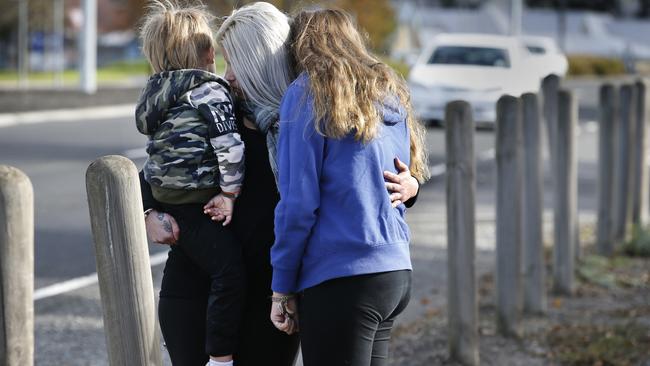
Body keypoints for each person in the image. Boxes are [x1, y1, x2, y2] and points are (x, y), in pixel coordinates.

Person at [141, 2, 421, 365]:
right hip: (199, 291)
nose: (226, 76)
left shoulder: (314, 110)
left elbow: (369, 167)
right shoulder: (220, 115)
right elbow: (156, 163)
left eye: (235, 63)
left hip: (273, 296)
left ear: (260, 63)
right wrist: (149, 209)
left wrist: (411, 183)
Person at [268, 8, 429, 366]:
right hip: (393, 270)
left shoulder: (308, 93)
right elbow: (407, 174)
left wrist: (281, 287)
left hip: (342, 275)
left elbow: (298, 205)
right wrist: (414, 185)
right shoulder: (386, 89)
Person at [136, 2, 245, 365]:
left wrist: (153, 206)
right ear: (209, 52)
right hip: (198, 202)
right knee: (229, 271)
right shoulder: (211, 93)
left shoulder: (156, 96)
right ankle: (220, 357)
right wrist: (229, 193)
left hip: (168, 198)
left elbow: (153, 156)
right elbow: (229, 147)